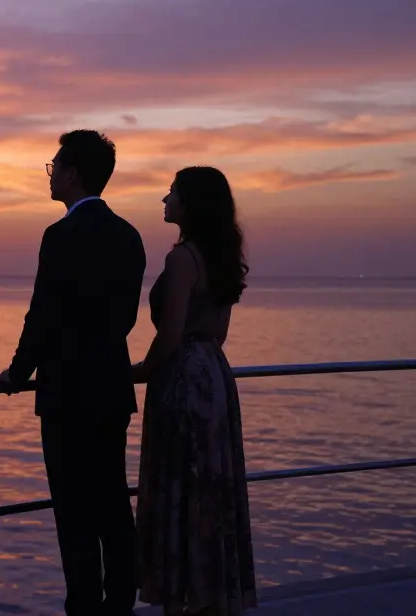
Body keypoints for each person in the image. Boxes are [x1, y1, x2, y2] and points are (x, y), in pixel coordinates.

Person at [0, 129, 147, 616]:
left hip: (67, 392)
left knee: (74, 511)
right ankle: (120, 604)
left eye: (55, 166)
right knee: (113, 503)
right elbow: (125, 318)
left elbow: (43, 314)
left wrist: (18, 371)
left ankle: (83, 607)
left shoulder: (60, 236)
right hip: (111, 385)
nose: (50, 174)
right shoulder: (129, 235)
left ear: (74, 173)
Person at [133, 166, 257, 616]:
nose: (164, 200)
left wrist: (140, 371)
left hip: (182, 379)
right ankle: (210, 595)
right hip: (215, 374)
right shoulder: (219, 255)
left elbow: (170, 334)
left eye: (172, 193)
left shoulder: (182, 259)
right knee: (209, 486)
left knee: (177, 484)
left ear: (190, 204)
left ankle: (177, 598)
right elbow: (217, 332)